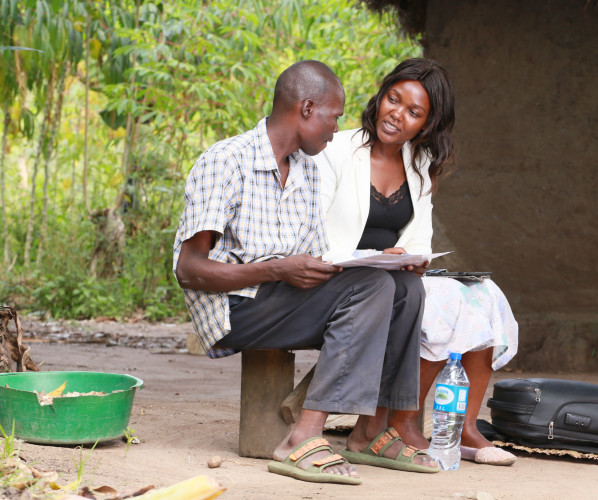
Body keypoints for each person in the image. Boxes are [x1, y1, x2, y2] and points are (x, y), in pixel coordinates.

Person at [172, 60, 438, 486]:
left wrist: (375, 259)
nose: (337, 129)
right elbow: (189, 270)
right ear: (308, 108)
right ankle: (302, 437)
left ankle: (373, 430)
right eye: (334, 117)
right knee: (371, 287)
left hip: (283, 297)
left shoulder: (308, 171)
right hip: (234, 310)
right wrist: (279, 269)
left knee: (404, 286)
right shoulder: (226, 160)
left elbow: (312, 255)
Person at [315, 58, 519, 466]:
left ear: (426, 125)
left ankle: (464, 427)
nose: (397, 114)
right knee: (438, 302)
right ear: (380, 96)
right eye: (394, 99)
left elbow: (417, 239)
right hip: (339, 276)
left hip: (392, 276)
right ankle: (396, 422)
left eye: (414, 112)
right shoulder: (336, 151)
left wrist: (407, 257)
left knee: (480, 293)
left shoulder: (419, 164)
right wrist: (372, 258)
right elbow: (314, 231)